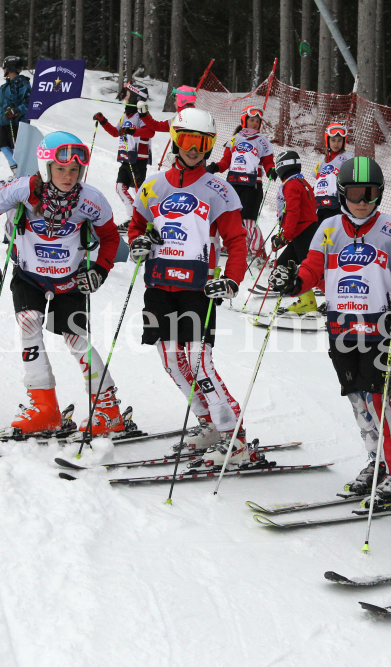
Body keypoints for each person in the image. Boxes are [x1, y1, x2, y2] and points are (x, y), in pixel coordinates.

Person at [269, 157, 391, 507]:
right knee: (357, 398)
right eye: (355, 194)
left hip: (380, 331)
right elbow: (312, 266)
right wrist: (295, 283)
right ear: (341, 193)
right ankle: (378, 461)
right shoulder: (329, 229)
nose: (363, 201)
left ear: (379, 195)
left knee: (378, 401)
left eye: (369, 194)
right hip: (341, 327)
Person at [0, 132, 125, 437]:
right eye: (60, 169)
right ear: (45, 168)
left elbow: (109, 238)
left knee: (75, 338)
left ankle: (108, 410)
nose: (68, 176)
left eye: (74, 170)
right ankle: (44, 409)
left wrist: (100, 270)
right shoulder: (21, 190)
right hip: (29, 275)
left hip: (70, 279)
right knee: (29, 323)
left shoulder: (90, 199)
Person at [127, 108, 258, 466]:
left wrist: (231, 278)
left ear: (211, 146)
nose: (194, 148)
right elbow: (136, 226)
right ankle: (209, 423)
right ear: (175, 139)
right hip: (158, 284)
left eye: (202, 142)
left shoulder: (219, 189)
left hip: (197, 289)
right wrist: (138, 241)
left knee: (200, 364)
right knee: (170, 360)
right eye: (187, 139)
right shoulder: (153, 185)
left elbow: (236, 240)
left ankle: (235, 438)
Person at [206, 106, 276, 259]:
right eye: (252, 120)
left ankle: (257, 251)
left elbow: (268, 162)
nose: (255, 123)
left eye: (258, 121)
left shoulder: (262, 141)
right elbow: (226, 161)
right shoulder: (234, 138)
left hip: (252, 185)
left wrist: (271, 170)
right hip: (233, 183)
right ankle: (231, 245)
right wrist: (215, 167)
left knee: (248, 220)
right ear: (244, 120)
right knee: (230, 217)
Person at [93, 83, 155, 227]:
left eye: (127, 95)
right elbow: (116, 132)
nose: (125, 97)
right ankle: (133, 217)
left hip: (138, 158)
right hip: (126, 158)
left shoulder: (142, 116)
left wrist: (133, 132)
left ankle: (145, 218)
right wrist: (103, 121)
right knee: (120, 187)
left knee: (139, 190)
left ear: (135, 97)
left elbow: (150, 132)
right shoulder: (125, 116)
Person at [270, 150, 320, 317]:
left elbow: (293, 212)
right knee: (283, 265)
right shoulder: (302, 182)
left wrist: (284, 236)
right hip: (304, 232)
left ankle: (336, 300)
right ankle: (307, 301)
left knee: (311, 270)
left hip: (303, 232)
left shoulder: (291, 185)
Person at [0, 55, 31, 177]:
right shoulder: (5, 86)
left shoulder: (22, 83)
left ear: (10, 68)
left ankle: (22, 175)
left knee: (17, 150)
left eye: (4, 67)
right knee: (4, 146)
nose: (3, 70)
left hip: (18, 123)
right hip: (5, 122)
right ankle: (17, 173)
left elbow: (29, 103)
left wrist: (15, 111)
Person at [312, 123, 353, 222]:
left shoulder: (347, 158)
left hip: (338, 206)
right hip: (322, 205)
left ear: (344, 141)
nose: (336, 144)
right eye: (333, 140)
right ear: (328, 140)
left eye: (339, 140)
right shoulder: (322, 161)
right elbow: (317, 182)